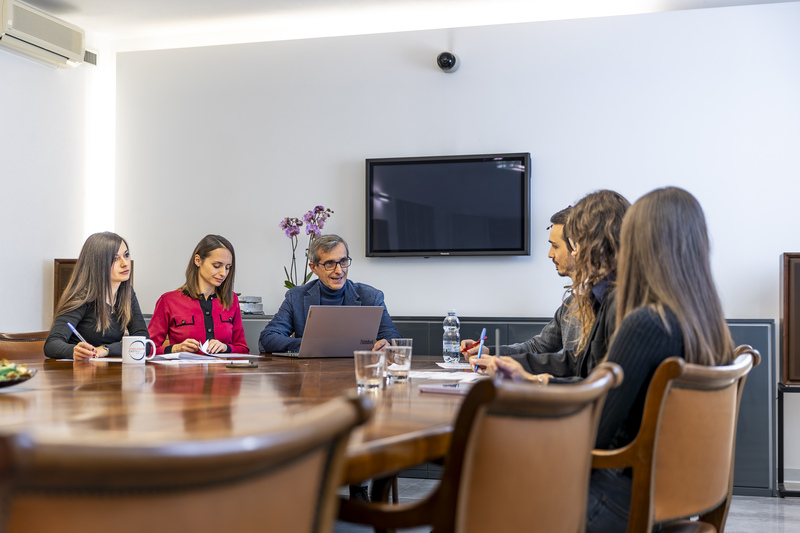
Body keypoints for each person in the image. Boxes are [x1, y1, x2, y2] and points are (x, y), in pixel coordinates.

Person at [490, 187, 735, 532]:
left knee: (487, 495)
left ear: (637, 244)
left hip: (622, 498)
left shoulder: (646, 323)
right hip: (674, 495)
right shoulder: (708, 325)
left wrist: (534, 405)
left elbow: (598, 433)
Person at [470, 190, 630, 381]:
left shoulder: (618, 301)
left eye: (574, 244)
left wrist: (537, 381)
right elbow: (576, 363)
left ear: (597, 244)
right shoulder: (594, 298)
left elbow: (599, 383)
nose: (573, 252)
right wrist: (500, 359)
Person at [461, 206, 580, 357]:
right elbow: (537, 347)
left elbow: (575, 365)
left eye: (555, 246)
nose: (550, 254)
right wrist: (489, 352)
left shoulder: (602, 303)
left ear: (576, 247)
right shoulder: (570, 303)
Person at [258, 234, 400, 353]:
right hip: (311, 374)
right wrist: (309, 345)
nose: (339, 271)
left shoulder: (371, 297)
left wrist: (386, 345)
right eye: (330, 264)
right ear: (314, 268)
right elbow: (267, 339)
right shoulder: (296, 297)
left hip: (357, 372)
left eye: (343, 261)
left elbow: (394, 340)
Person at [45, 232, 149, 360]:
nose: (125, 263)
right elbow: (52, 344)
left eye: (126, 255)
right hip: (79, 369)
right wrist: (75, 351)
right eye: (115, 259)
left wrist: (105, 350)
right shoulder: (83, 296)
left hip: (108, 368)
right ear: (98, 264)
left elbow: (144, 342)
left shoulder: (127, 294)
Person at [149, 235, 249, 355]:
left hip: (223, 367)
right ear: (198, 260)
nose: (223, 273)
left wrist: (226, 347)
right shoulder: (168, 301)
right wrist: (175, 349)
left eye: (228, 267)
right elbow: (148, 349)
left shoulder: (232, 300)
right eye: (217, 266)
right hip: (183, 367)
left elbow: (243, 349)